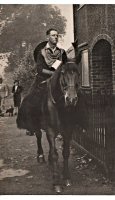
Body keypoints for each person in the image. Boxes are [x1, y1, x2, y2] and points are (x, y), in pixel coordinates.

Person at [17, 28, 67, 136]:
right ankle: (32, 125)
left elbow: (64, 66)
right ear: (48, 37)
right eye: (53, 35)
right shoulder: (42, 52)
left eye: (57, 35)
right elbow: (39, 69)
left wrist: (59, 73)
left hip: (58, 80)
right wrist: (52, 74)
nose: (56, 37)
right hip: (42, 80)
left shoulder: (61, 52)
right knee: (30, 99)